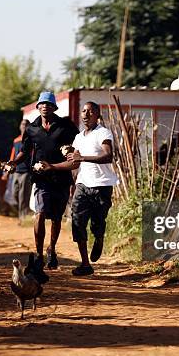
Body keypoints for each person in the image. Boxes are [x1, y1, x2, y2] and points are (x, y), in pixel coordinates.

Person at [5, 91, 79, 278]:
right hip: (41, 179)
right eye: (42, 104)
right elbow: (25, 151)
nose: (45, 106)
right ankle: (38, 254)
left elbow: (78, 143)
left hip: (61, 177)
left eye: (48, 104)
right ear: (37, 107)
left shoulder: (65, 125)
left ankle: (51, 249)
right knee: (39, 214)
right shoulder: (32, 129)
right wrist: (13, 162)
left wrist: (70, 150)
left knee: (56, 218)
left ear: (54, 107)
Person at [67, 102, 118, 276]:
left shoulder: (103, 133)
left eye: (90, 111)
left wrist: (82, 158)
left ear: (97, 115)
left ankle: (99, 237)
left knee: (97, 223)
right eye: (83, 111)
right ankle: (85, 264)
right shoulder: (78, 137)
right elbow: (74, 161)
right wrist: (72, 179)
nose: (85, 114)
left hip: (102, 186)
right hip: (82, 185)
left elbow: (108, 155)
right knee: (77, 222)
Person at [3, 119, 32, 221]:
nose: (24, 126)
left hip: (26, 172)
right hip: (16, 171)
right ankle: (23, 213)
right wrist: (7, 170)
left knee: (23, 195)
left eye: (26, 124)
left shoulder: (31, 139)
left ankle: (22, 218)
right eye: (22, 124)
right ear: (20, 126)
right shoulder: (16, 140)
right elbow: (13, 155)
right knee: (15, 194)